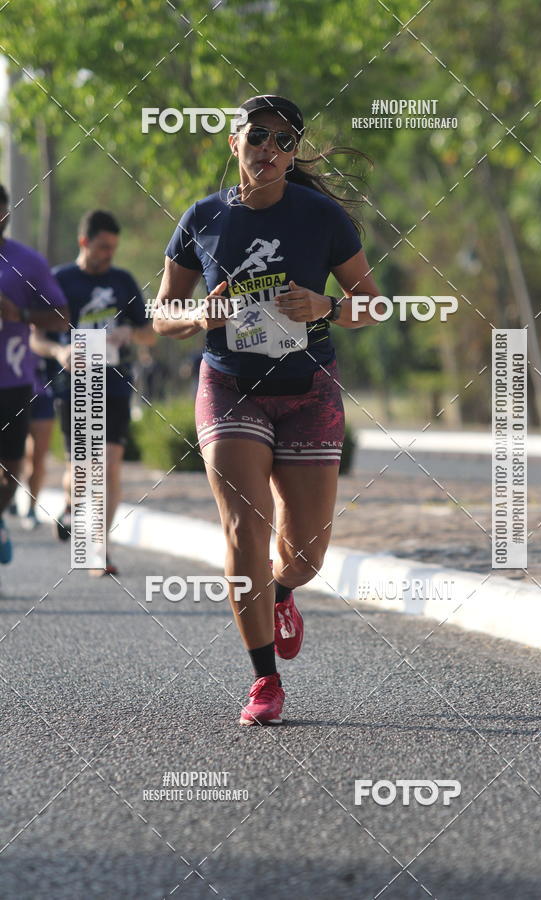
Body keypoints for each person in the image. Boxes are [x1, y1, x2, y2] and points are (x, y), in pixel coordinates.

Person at [154, 94, 381, 726]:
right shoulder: (203, 218)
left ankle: (281, 593)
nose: (270, 150)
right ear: (235, 142)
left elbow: (373, 303)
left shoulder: (322, 217)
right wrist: (200, 314)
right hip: (230, 386)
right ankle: (263, 679)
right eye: (258, 136)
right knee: (242, 529)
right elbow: (161, 312)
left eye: (284, 141)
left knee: (305, 555)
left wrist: (327, 307)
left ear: (294, 152)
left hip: (309, 391)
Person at [30, 209, 155, 576]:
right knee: (82, 469)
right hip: (75, 385)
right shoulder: (58, 280)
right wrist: (59, 351)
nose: (109, 255)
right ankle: (70, 503)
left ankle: (99, 548)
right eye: (102, 247)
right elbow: (36, 336)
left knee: (110, 465)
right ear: (84, 242)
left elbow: (150, 331)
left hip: (115, 381)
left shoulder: (123, 280)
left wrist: (130, 334)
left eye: (113, 248)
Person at [0, 184, 68, 561]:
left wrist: (19, 314)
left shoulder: (26, 262)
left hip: (12, 381)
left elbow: (61, 315)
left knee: (11, 468)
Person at [21, 351, 56, 529]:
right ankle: (9, 495)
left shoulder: (51, 326)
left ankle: (31, 508)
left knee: (38, 456)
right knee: (13, 455)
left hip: (42, 396)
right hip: (12, 393)